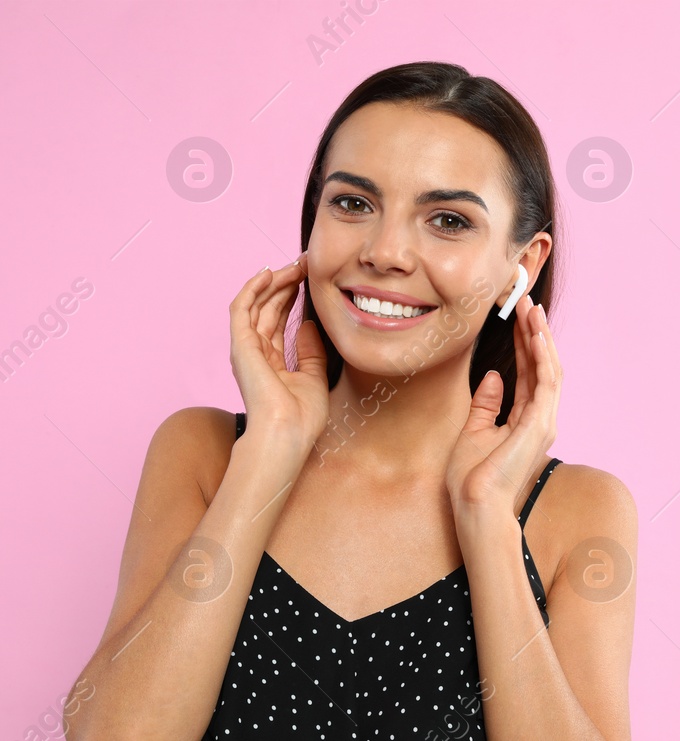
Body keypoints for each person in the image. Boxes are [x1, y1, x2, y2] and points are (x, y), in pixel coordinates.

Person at [64, 61, 637, 740]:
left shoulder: (579, 511)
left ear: (525, 264)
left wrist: (486, 518)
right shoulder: (204, 454)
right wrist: (269, 453)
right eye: (353, 203)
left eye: (448, 220)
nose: (386, 251)